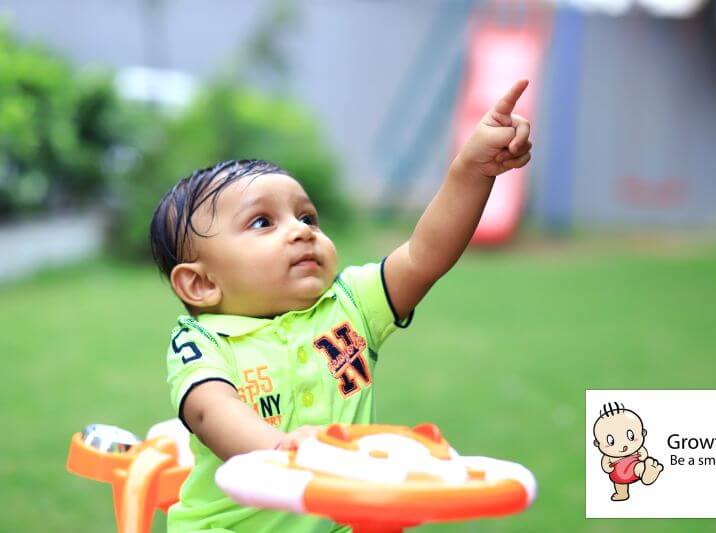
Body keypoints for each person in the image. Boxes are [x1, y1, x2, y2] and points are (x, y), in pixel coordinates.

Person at [149, 79, 533, 532]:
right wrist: (281, 453)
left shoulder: (351, 304)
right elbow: (211, 410)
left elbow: (424, 256)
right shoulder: (202, 341)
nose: (301, 231)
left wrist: (473, 169)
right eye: (262, 221)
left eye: (307, 217)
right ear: (200, 283)